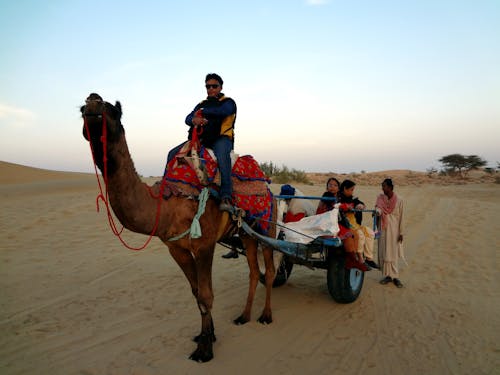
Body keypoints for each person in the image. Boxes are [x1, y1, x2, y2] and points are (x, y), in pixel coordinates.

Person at [167, 73, 237, 212]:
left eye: (214, 86)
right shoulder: (201, 104)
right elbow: (187, 118)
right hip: (202, 139)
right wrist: (194, 120)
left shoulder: (228, 102)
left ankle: (226, 196)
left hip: (221, 138)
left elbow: (222, 111)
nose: (211, 89)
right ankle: (166, 186)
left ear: (220, 87)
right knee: (173, 153)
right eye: (208, 86)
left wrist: (201, 113)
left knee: (223, 157)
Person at [315, 178, 368, 272]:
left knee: (354, 234)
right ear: (327, 187)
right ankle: (351, 259)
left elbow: (353, 201)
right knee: (348, 236)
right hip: (325, 222)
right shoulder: (327, 196)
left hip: (334, 222)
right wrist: (345, 206)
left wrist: (359, 205)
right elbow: (334, 206)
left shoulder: (339, 197)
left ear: (339, 188)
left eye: (335, 185)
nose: (332, 187)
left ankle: (354, 258)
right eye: (330, 185)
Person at [338, 179, 378, 269]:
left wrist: (360, 206)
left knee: (370, 233)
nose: (352, 192)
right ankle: (360, 258)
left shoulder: (352, 199)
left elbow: (360, 203)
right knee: (360, 235)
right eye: (351, 189)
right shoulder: (338, 199)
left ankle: (369, 258)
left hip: (355, 225)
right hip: (346, 226)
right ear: (345, 189)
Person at [375, 178, 405, 288]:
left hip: (394, 230)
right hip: (383, 229)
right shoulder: (380, 198)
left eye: (384, 186)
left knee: (393, 252)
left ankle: (396, 277)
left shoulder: (400, 200)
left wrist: (401, 232)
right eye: (382, 186)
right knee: (385, 251)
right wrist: (376, 213)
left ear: (391, 187)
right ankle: (388, 276)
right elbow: (378, 208)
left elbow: (402, 216)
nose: (382, 188)